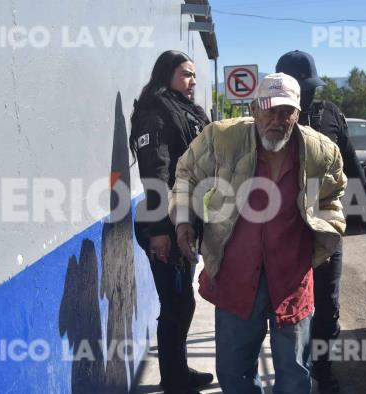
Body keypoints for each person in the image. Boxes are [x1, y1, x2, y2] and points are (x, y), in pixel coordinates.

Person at [171, 73, 347, 394]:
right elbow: (186, 175)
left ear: (298, 113)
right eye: (269, 109)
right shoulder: (221, 138)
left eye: (286, 112)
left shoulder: (322, 151)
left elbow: (332, 197)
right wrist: (184, 218)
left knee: (294, 376)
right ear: (254, 109)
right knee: (234, 374)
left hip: (291, 278)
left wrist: (326, 237)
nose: (276, 119)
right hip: (235, 276)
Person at [276, 50, 366, 393]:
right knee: (288, 304)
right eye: (300, 88)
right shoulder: (268, 116)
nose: (308, 94)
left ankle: (322, 366)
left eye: (310, 88)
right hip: (282, 227)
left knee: (327, 301)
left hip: (325, 223)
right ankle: (294, 369)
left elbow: (350, 164)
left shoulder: (330, 114)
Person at [128, 50, 213, 394]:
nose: (193, 81)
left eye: (194, 75)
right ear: (167, 74)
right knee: (175, 303)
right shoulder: (155, 113)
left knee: (182, 302)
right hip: (163, 225)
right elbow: (155, 175)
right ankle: (175, 381)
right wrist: (161, 231)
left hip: (185, 221)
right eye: (186, 74)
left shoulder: (186, 110)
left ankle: (177, 372)